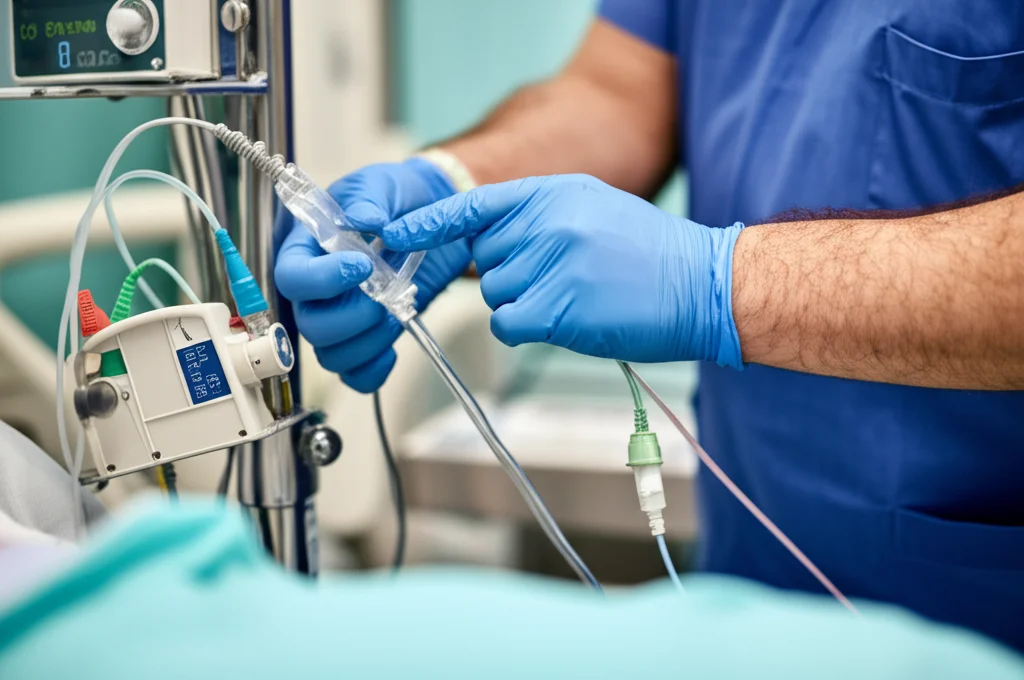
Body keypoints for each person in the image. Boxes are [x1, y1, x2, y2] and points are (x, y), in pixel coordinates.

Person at [274, 1, 1024, 651]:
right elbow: (617, 91)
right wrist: (450, 183)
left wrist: (717, 282)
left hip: (979, 605)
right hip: (752, 578)